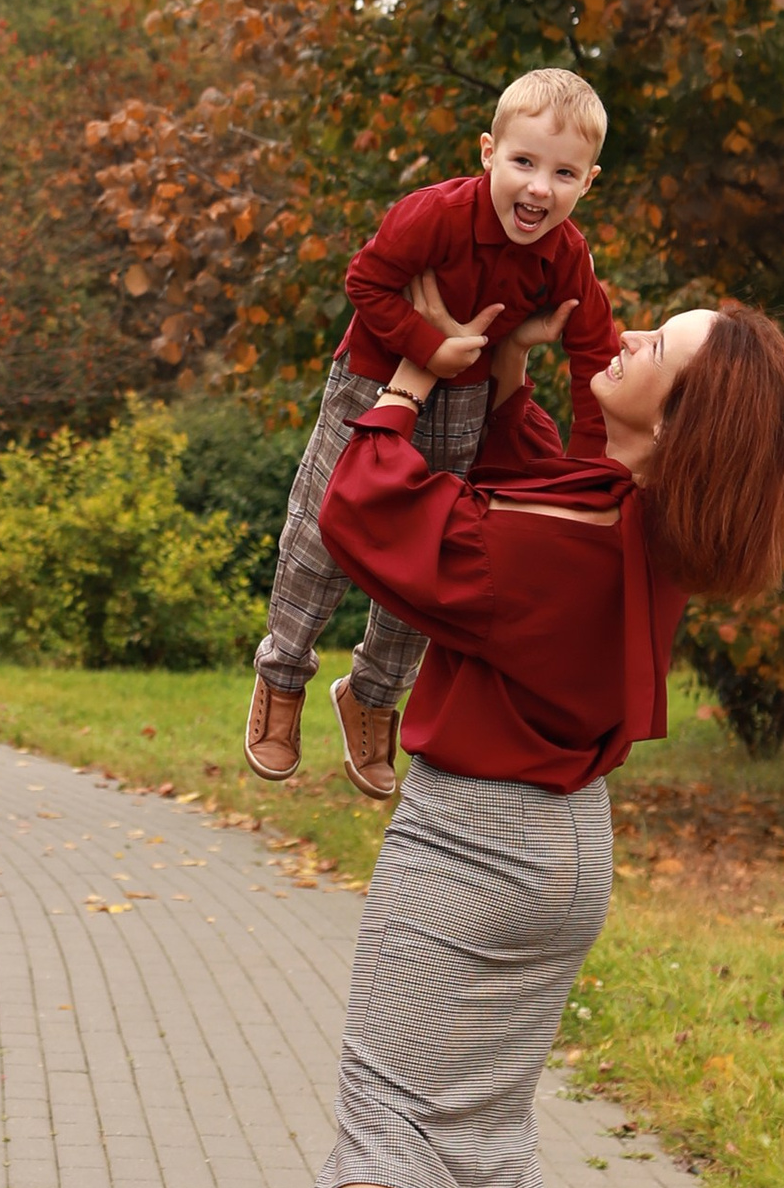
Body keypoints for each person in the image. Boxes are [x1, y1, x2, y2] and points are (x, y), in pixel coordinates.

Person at [262, 269, 784, 1188]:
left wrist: (397, 390)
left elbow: (370, 517)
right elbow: (541, 446)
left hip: (473, 845)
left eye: (655, 351)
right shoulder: (620, 511)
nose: (622, 342)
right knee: (491, 1144)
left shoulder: (564, 543)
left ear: (676, 426)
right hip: (566, 851)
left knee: (386, 1136)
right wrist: (524, 342)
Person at [245, 68, 623, 804]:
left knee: (427, 555)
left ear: (589, 182)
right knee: (321, 537)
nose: (539, 188)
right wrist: (428, 344)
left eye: (564, 172)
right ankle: (282, 673)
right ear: (488, 152)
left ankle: (374, 694)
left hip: (469, 401)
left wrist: (590, 473)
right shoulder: (433, 215)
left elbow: (594, 352)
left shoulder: (566, 255)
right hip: (373, 381)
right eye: (524, 162)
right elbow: (366, 283)